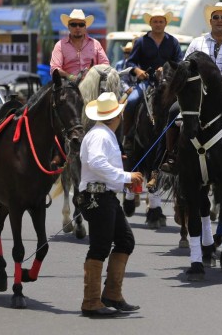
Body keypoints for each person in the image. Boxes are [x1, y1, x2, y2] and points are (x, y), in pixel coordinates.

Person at [160, 2, 222, 181]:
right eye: (216, 17)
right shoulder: (197, 42)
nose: (219, 21)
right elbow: (184, 66)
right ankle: (171, 156)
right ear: (210, 21)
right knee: (173, 111)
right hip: (197, 94)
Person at [77, 92, 143, 317]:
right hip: (98, 197)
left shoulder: (102, 134)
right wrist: (126, 177)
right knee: (101, 246)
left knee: (125, 240)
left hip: (104, 196)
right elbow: (96, 163)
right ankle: (91, 301)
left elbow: (100, 166)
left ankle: (111, 294)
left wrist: (125, 181)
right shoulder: (102, 136)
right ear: (116, 116)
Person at [123, 8, 183, 189]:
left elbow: (179, 62)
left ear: (166, 23)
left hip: (167, 85)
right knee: (132, 101)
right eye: (155, 21)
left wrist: (166, 70)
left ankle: (180, 137)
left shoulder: (172, 42)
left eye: (161, 21)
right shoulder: (141, 41)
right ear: (150, 23)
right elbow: (130, 62)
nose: (158, 24)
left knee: (181, 107)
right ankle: (128, 137)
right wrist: (138, 71)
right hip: (147, 83)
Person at [50, 9, 109, 81]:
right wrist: (71, 77)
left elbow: (105, 65)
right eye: (74, 24)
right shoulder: (60, 45)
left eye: (81, 25)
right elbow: (54, 69)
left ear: (85, 27)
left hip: (92, 85)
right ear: (68, 27)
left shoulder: (96, 44)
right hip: (68, 86)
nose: (77, 27)